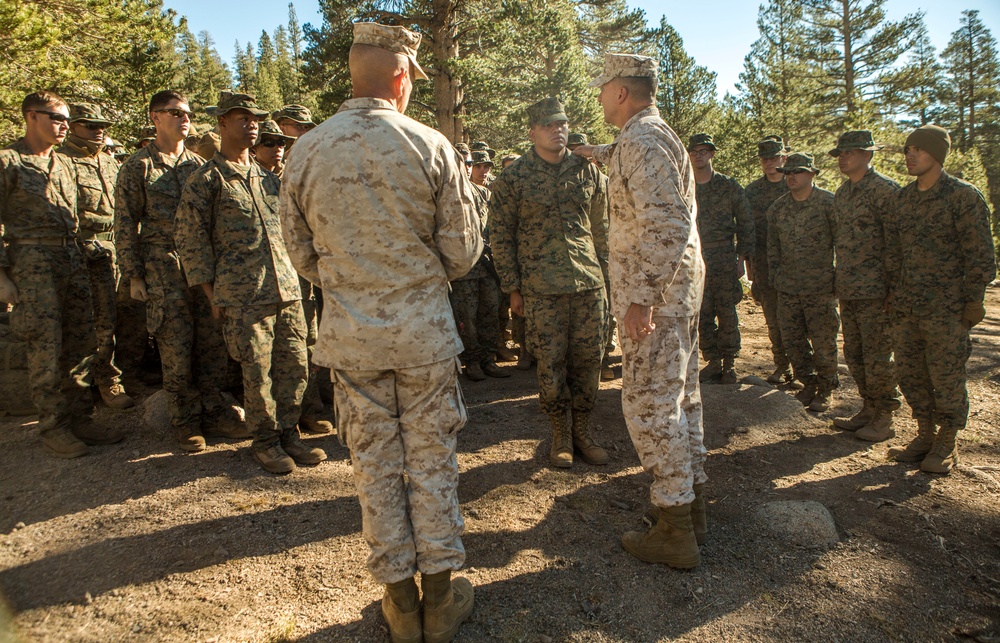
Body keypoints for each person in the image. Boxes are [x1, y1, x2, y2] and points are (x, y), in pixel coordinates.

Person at [280, 23, 481, 642]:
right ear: (401, 78)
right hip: (422, 338)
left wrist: (353, 282)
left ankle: (399, 601)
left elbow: (301, 255)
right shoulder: (430, 145)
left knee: (374, 467)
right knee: (431, 463)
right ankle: (440, 600)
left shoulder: (305, 151)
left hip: (353, 340)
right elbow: (464, 252)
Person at [574, 53, 707, 569]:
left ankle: (674, 528)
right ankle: (691, 510)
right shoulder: (648, 136)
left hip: (656, 301)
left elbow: (667, 226)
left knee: (653, 408)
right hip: (678, 296)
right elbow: (630, 164)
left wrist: (640, 299)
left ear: (621, 92)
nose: (600, 96)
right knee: (683, 402)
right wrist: (592, 151)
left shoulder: (643, 141)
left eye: (604, 89)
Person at [174, 92, 325, 475]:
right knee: (257, 375)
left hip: (288, 290)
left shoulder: (270, 180)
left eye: (255, 118)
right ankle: (266, 442)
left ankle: (290, 434)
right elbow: (191, 242)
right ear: (222, 123)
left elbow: (292, 231)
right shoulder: (206, 180)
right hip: (243, 296)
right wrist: (211, 294)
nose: (252, 123)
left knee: (295, 367)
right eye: (243, 118)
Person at [115, 89, 244, 453]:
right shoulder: (138, 165)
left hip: (200, 265)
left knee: (212, 341)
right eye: (173, 112)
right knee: (175, 343)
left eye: (186, 112)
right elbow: (125, 223)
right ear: (155, 117)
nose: (183, 118)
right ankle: (185, 420)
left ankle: (217, 411)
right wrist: (135, 276)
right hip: (161, 265)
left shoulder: (198, 166)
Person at [0, 91, 123, 458]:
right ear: (31, 117)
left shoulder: (65, 163)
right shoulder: (9, 161)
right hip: (32, 260)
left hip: (72, 257)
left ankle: (81, 417)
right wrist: (2, 277)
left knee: (81, 341)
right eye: (56, 118)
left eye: (67, 119)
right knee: (45, 344)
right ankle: (54, 426)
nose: (64, 126)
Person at [490, 97, 610, 470]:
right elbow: (500, 235)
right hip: (541, 290)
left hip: (589, 284)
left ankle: (583, 432)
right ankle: (559, 433)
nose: (557, 130)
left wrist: (608, 275)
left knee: (590, 362)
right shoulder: (514, 177)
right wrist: (512, 288)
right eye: (548, 125)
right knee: (551, 364)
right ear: (532, 132)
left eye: (562, 124)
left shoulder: (586, 171)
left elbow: (602, 228)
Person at [884, 125, 995, 474]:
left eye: (919, 149)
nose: (910, 155)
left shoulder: (962, 196)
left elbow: (980, 255)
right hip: (907, 306)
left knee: (946, 375)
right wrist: (892, 294)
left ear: (938, 155)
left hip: (946, 307)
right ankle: (925, 432)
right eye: (907, 149)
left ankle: (947, 439)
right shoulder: (903, 199)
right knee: (910, 373)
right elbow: (894, 253)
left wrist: (973, 300)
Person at [251, 119, 332, 434]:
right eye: (269, 142)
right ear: (255, 147)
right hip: (266, 279)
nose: (277, 149)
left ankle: (306, 410)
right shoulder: (252, 181)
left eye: (281, 143)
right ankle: (276, 422)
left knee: (307, 344)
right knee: (271, 353)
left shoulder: (294, 178)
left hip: (301, 278)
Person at [58, 102, 135, 409]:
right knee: (94, 322)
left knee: (119, 318)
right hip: (84, 252)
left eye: (102, 125)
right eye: (90, 125)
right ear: (73, 126)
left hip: (115, 249)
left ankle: (115, 375)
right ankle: (101, 383)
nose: (98, 130)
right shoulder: (62, 161)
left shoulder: (109, 161)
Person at [827, 130, 902, 442]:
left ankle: (885, 417)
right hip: (850, 288)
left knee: (878, 356)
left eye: (851, 152)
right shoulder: (842, 194)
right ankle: (869, 408)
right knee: (855, 353)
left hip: (877, 291)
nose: (844, 157)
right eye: (841, 153)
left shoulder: (886, 192)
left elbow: (897, 244)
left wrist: (894, 289)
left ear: (868, 155)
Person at [767, 153, 839, 412]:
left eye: (797, 171)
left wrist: (837, 279)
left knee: (823, 343)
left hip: (820, 288)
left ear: (811, 174)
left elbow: (842, 244)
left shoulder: (829, 203)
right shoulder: (778, 209)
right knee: (793, 341)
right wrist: (776, 277)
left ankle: (826, 388)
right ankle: (807, 384)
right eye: (788, 172)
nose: (791, 177)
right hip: (788, 288)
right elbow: (773, 249)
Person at [687, 133, 753, 384]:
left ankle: (729, 364)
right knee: (701, 312)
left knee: (727, 311)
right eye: (694, 151)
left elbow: (746, 223)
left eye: (704, 151)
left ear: (712, 154)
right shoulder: (685, 185)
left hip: (724, 255)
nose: (699, 155)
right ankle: (712, 361)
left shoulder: (729, 186)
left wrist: (741, 260)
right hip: (695, 256)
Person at [451, 150, 509, 381]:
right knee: (467, 317)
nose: (467, 167)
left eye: (469, 163)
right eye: (464, 163)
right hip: (464, 268)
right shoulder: (449, 193)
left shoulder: (484, 193)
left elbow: (494, 225)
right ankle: (472, 361)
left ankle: (488, 359)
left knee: (490, 312)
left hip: (486, 265)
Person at [744, 135, 795, 386]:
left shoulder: (794, 185)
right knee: (773, 319)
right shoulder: (752, 191)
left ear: (784, 157)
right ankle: (781, 366)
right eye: (765, 158)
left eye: (774, 157)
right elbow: (748, 231)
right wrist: (750, 268)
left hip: (795, 263)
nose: (769, 162)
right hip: (764, 262)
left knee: (798, 320)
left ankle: (804, 369)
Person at [568, 131, 618, 381]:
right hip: (579, 258)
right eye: (572, 150)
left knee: (606, 310)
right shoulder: (565, 187)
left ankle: (604, 358)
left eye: (582, 151)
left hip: (608, 254)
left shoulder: (608, 182)